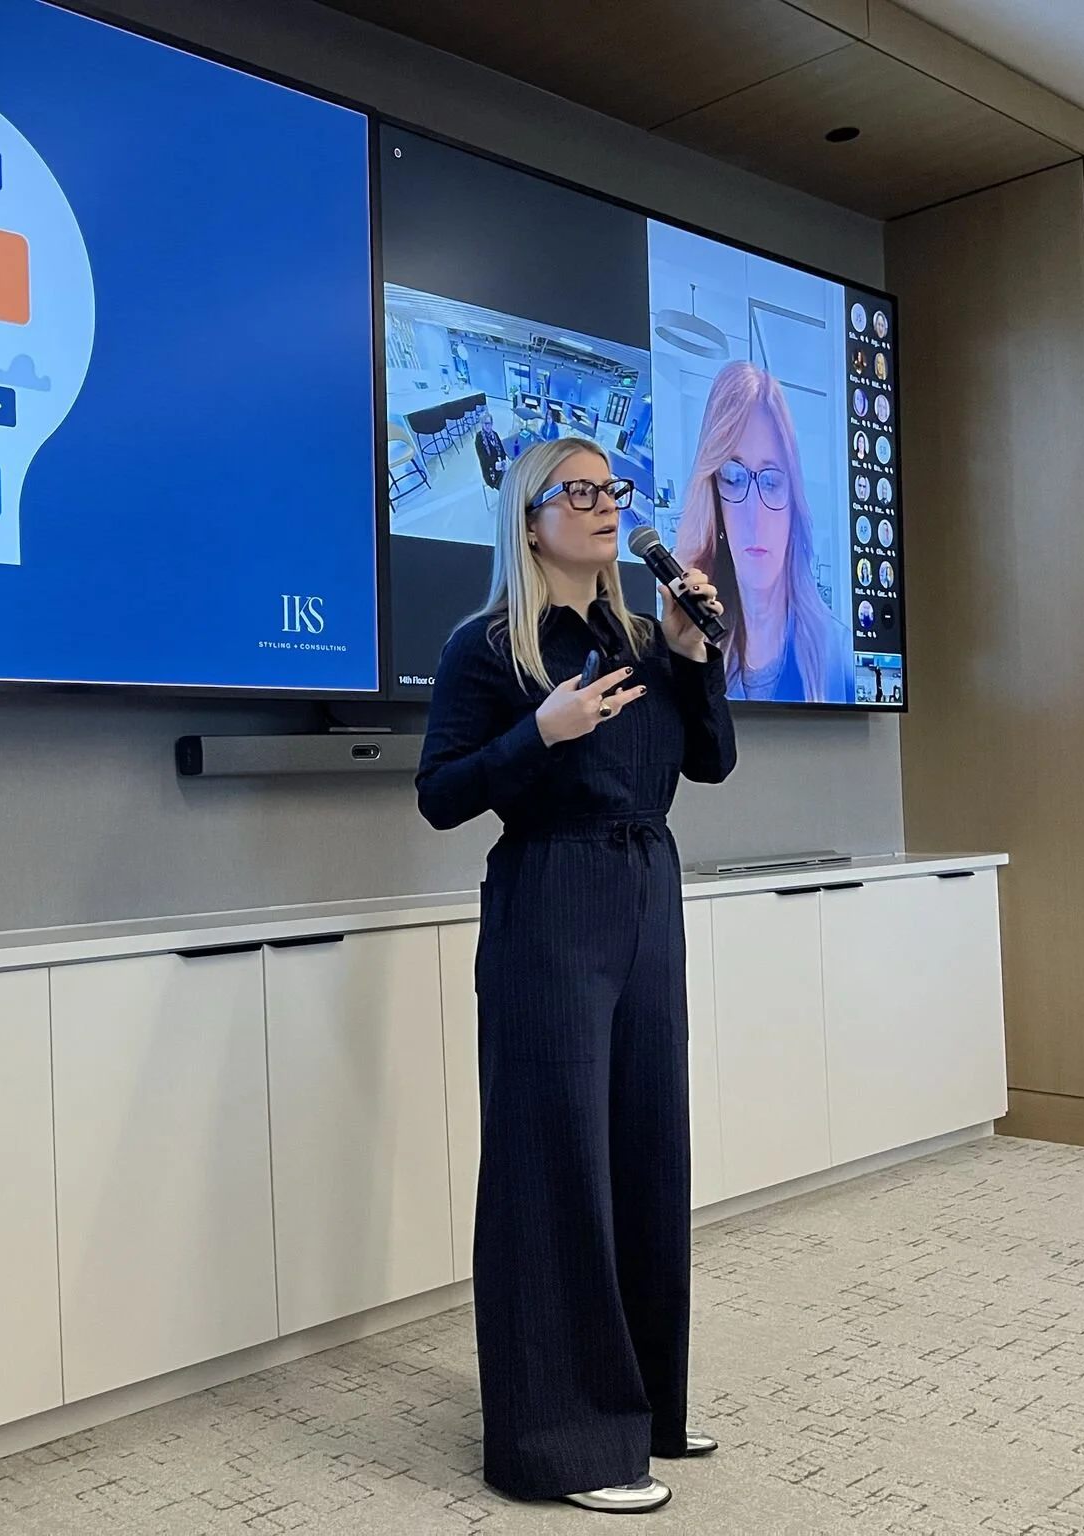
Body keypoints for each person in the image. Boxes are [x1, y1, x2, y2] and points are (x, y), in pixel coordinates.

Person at [416, 435, 735, 1515]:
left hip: (646, 897)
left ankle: (642, 1403)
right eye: (581, 492)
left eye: (614, 491)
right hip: (548, 904)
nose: (606, 508)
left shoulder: (643, 637)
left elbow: (708, 761)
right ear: (530, 514)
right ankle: (563, 1440)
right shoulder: (484, 648)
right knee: (553, 1166)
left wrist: (695, 656)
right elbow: (441, 794)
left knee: (647, 1146)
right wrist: (539, 735)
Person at [673, 361, 850, 703]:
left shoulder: (838, 655)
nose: (754, 515)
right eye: (733, 478)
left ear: (793, 503)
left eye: (770, 481)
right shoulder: (687, 644)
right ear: (712, 496)